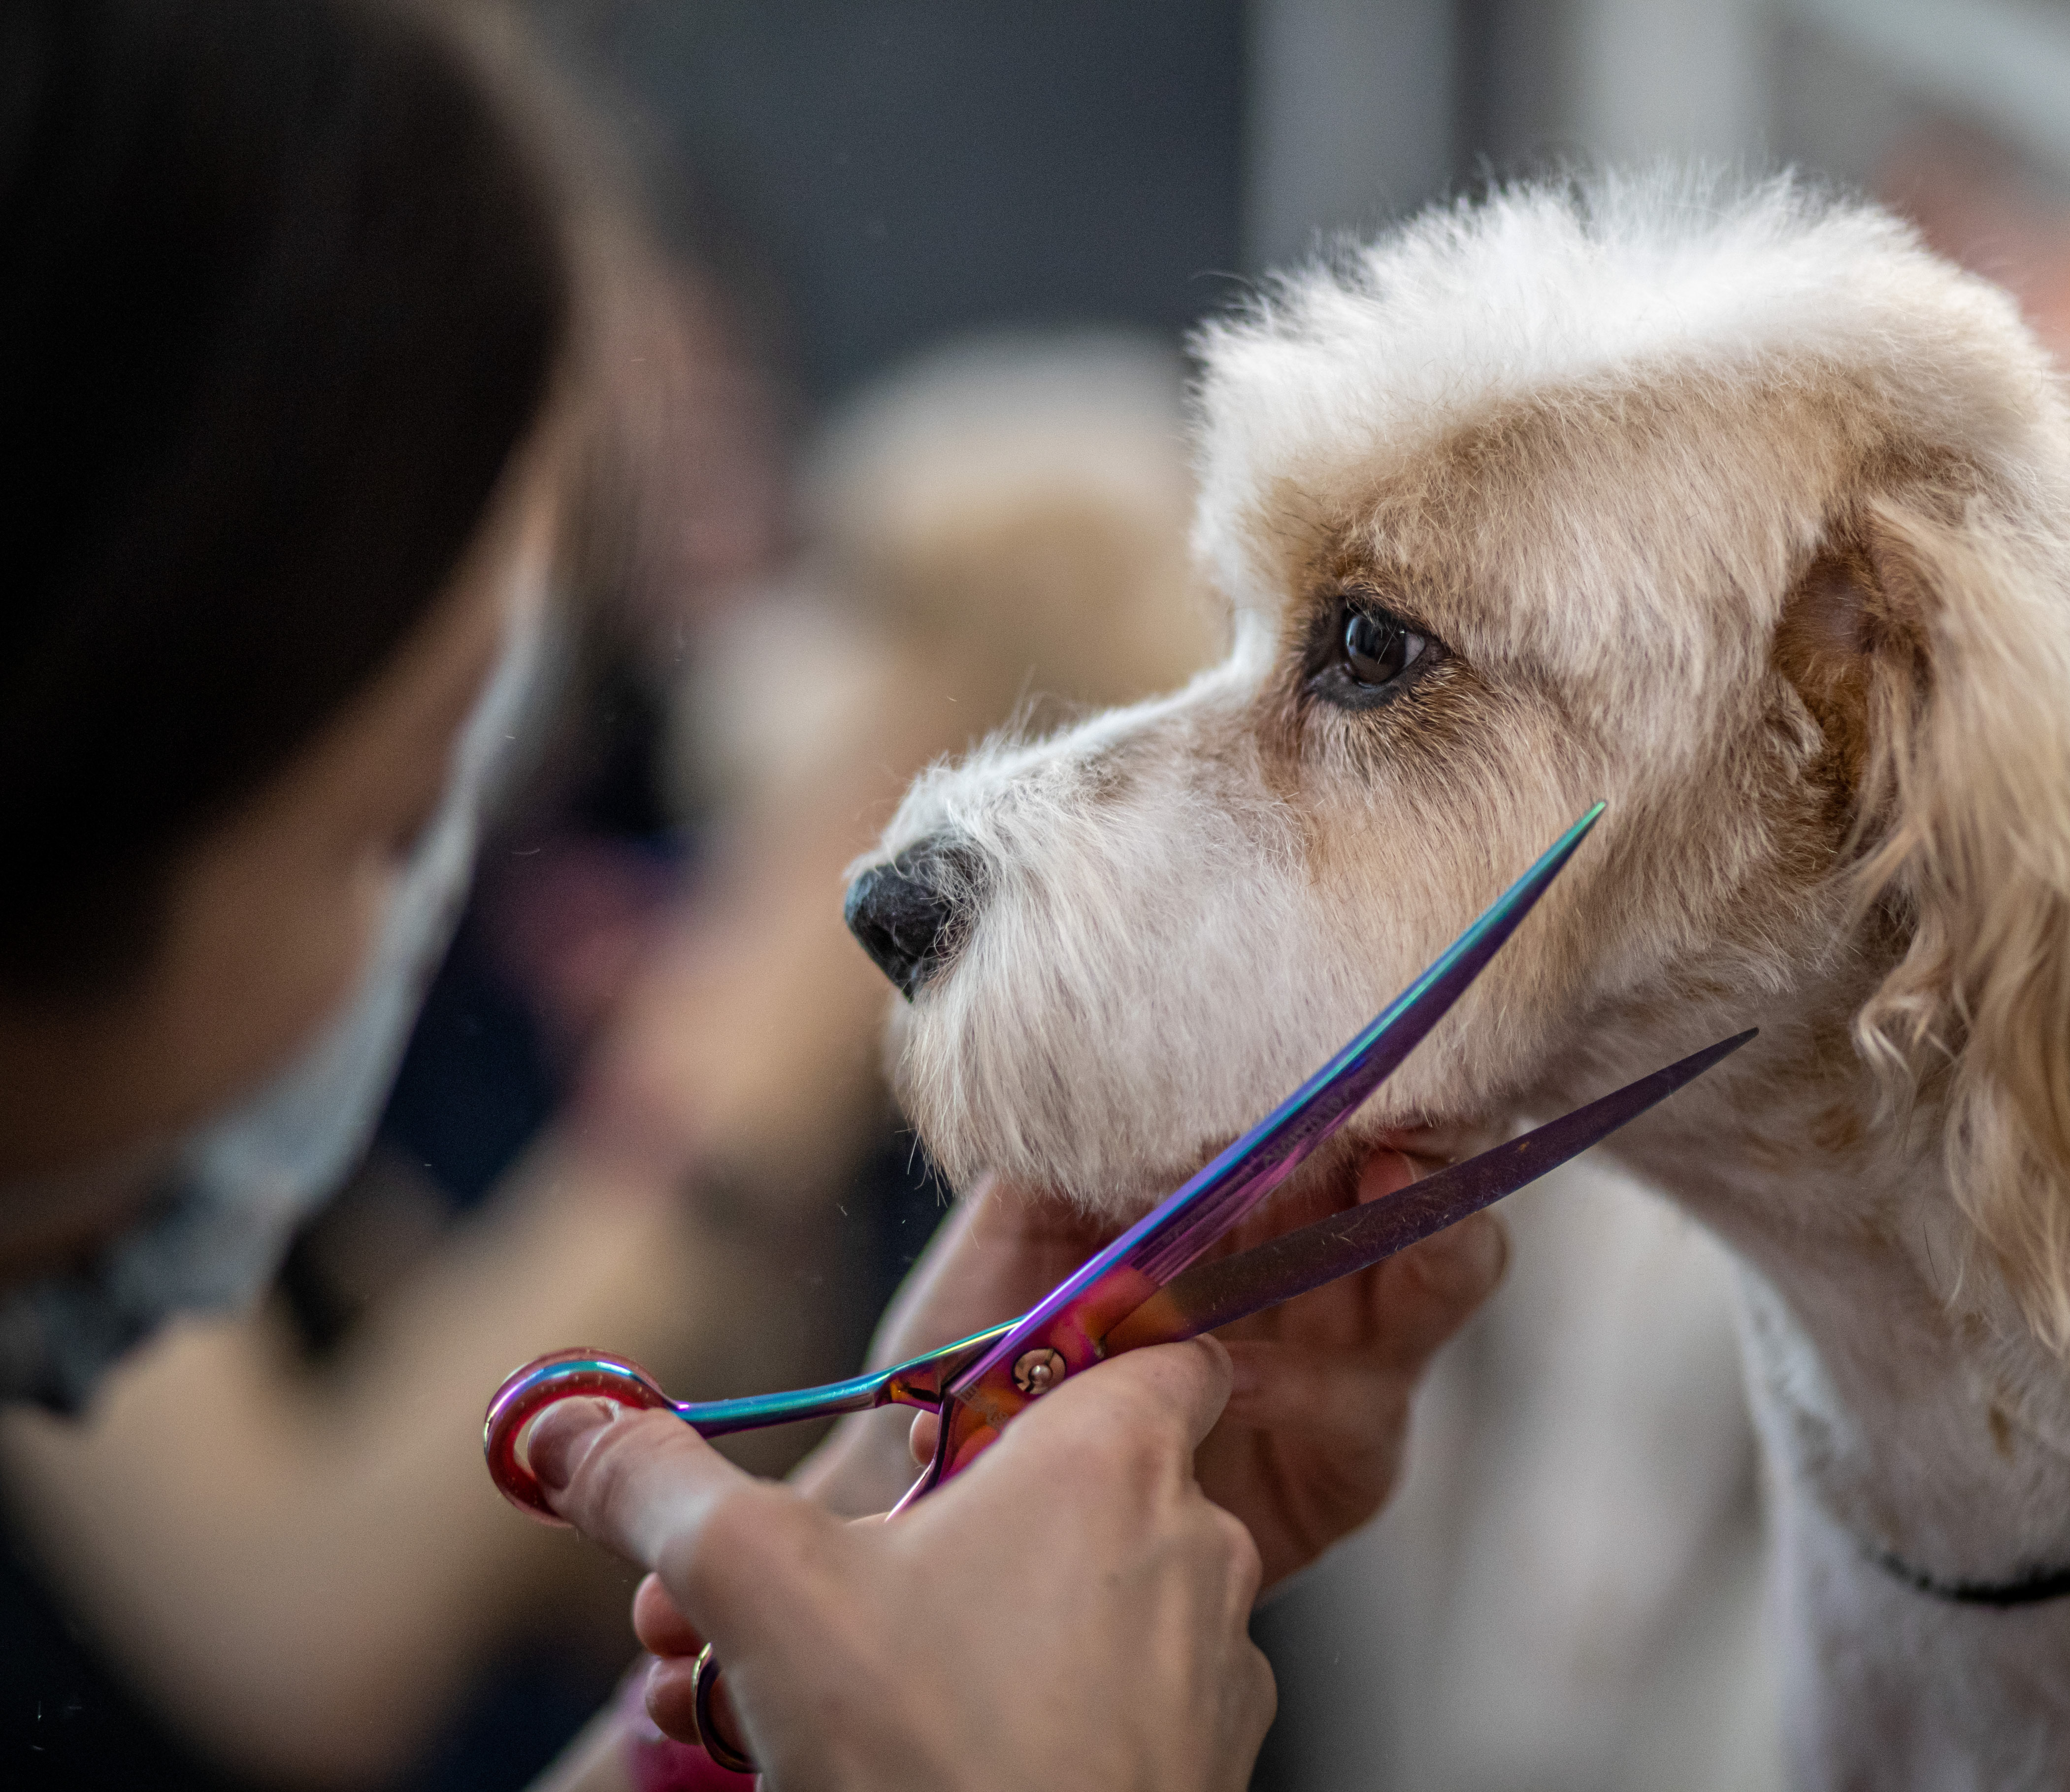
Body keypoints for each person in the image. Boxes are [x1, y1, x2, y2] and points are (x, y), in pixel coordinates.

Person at [0, 3, 1502, 1787]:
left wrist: (898, 1506)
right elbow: (303, 1631)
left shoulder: (614, 810)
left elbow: (621, 1607)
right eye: (385, 823)